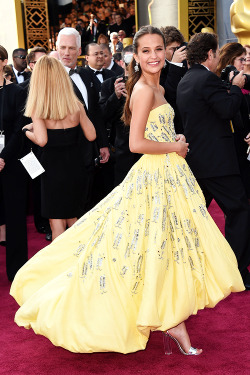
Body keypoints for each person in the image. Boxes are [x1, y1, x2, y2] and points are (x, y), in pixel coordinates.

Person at [10, 26, 244, 356]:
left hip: (169, 177)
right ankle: (166, 322)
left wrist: (175, 141)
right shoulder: (145, 91)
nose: (153, 56)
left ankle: (173, 321)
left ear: (167, 51)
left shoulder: (156, 86)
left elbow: (154, 131)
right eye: (146, 50)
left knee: (164, 252)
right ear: (135, 55)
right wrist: (173, 147)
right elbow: (136, 143)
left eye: (158, 49)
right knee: (140, 250)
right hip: (154, 178)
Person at [177, 33, 250, 289]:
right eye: (217, 53)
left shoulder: (187, 79)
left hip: (199, 160)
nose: (218, 57)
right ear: (209, 54)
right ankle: (237, 271)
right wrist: (235, 86)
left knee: (196, 216)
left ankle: (191, 268)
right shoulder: (206, 79)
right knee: (240, 211)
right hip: (217, 162)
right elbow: (227, 109)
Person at [22, 56, 96, 241]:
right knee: (75, 220)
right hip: (76, 167)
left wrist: (26, 131)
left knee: (57, 225)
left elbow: (42, 140)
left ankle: (61, 269)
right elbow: (92, 135)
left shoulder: (39, 108)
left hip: (53, 171)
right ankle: (81, 266)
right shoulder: (76, 105)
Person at [0, 45, 28, 281]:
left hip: (11, 164)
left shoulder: (18, 92)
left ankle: (17, 272)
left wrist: (3, 157)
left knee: (15, 218)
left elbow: (20, 130)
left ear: (3, 61)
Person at [216, 42, 250, 201]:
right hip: (227, 149)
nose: (245, 63)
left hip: (243, 144)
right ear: (230, 61)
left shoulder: (245, 81)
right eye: (241, 60)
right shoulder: (216, 84)